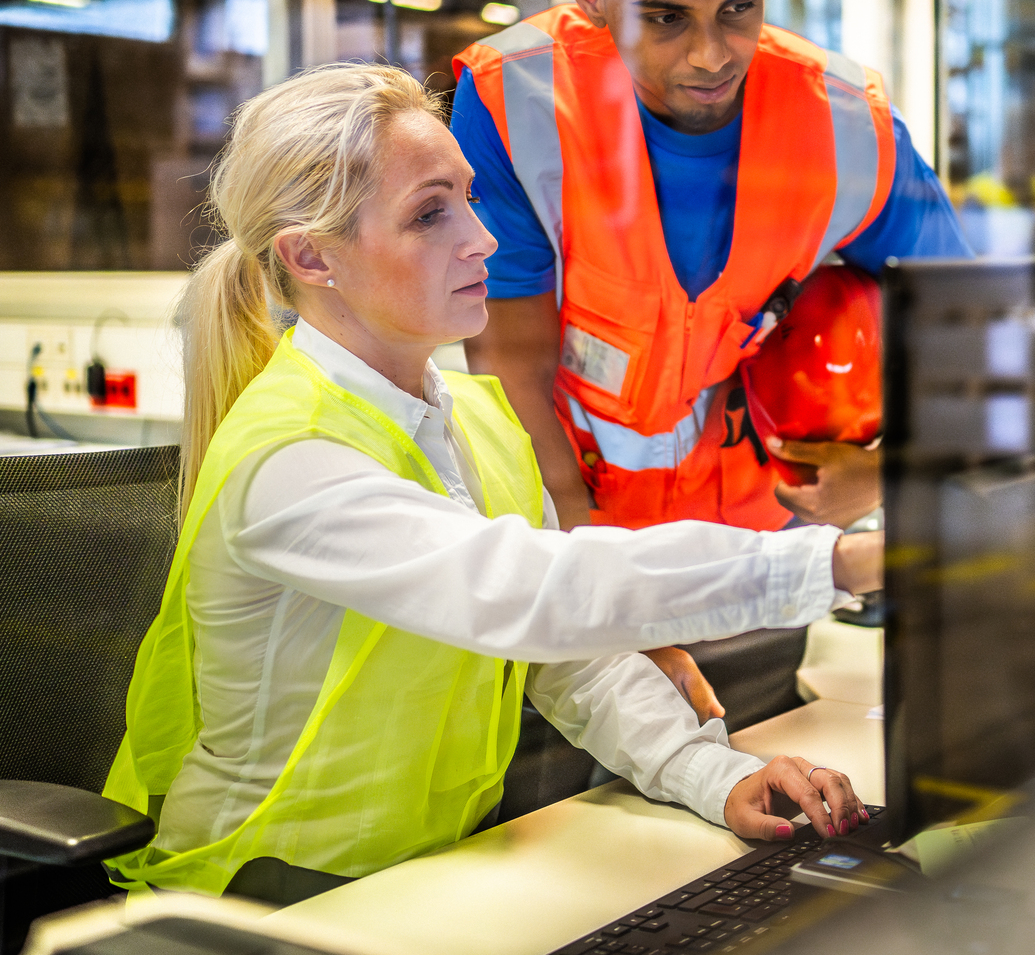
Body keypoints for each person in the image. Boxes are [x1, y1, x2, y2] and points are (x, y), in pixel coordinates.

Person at [101, 64, 880, 905]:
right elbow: (535, 594)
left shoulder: (473, 418)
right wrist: (844, 562)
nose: (483, 239)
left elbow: (568, 657)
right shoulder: (289, 457)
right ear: (310, 256)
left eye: (469, 199)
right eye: (430, 214)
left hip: (426, 880)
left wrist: (713, 774)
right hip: (260, 896)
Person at [452, 0, 970, 724]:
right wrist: (600, 596)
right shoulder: (519, 101)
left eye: (740, 8)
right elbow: (511, 368)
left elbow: (974, 331)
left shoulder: (847, 124)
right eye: (664, 18)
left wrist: (890, 472)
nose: (710, 54)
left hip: (759, 571)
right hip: (581, 561)